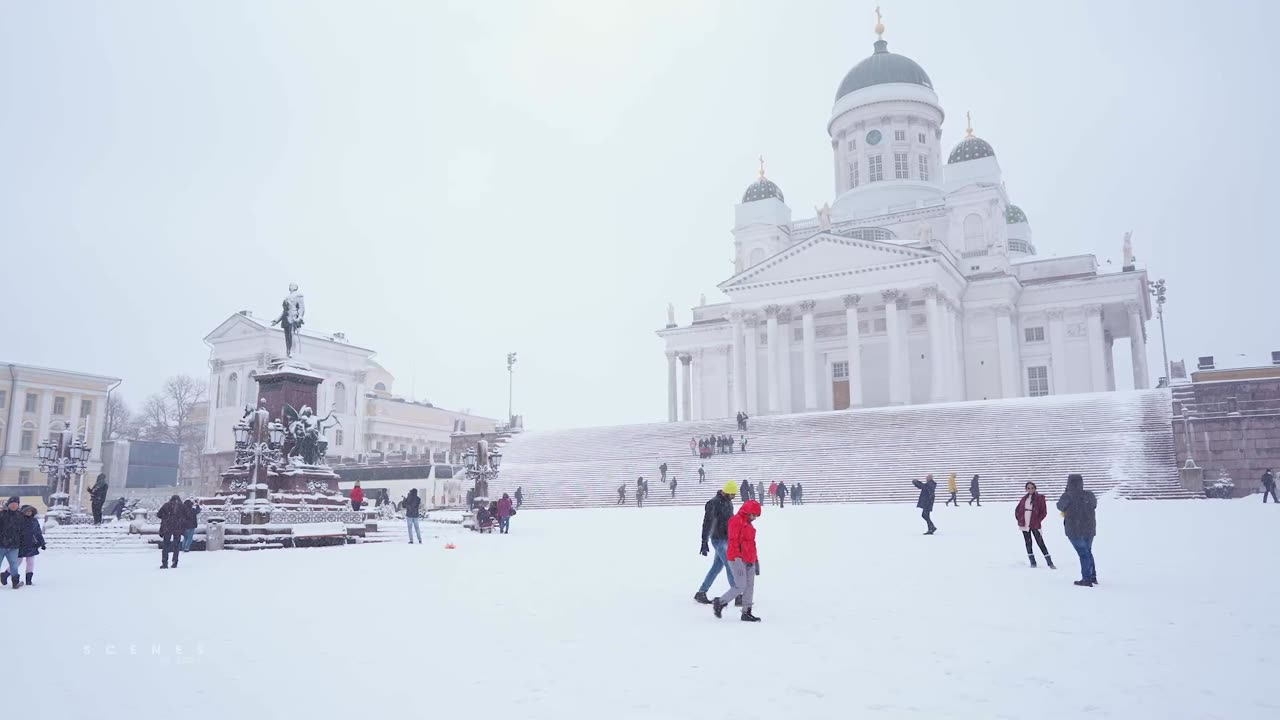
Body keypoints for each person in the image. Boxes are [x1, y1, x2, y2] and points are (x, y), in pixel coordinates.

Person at [711, 499, 763, 622]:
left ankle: (746, 612)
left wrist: (756, 560)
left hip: (749, 558)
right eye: (754, 514)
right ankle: (720, 602)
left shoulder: (749, 524)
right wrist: (737, 558)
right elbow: (733, 541)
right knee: (740, 586)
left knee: (749, 586)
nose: (755, 518)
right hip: (737, 559)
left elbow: (752, 543)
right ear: (748, 511)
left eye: (756, 516)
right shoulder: (735, 521)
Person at [694, 481, 738, 605]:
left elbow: (731, 520)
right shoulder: (713, 504)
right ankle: (737, 593)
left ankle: (701, 592)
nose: (734, 497)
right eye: (733, 494)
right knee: (730, 565)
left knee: (717, 567)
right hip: (718, 539)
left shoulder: (728, 503)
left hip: (727, 538)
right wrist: (704, 541)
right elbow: (707, 523)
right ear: (727, 492)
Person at [1057, 473, 1098, 587]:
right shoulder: (1089, 494)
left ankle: (1086, 579)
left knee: (1083, 553)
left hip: (1074, 529)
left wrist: (1066, 492)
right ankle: (1092, 576)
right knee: (1088, 551)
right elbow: (1094, 505)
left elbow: (1060, 506)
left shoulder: (1067, 496)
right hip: (1089, 528)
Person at [1015, 482, 1055, 569]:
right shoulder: (1024, 499)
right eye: (1028, 488)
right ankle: (1032, 562)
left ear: (1035, 488)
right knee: (1028, 542)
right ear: (1026, 489)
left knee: (1040, 542)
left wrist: (1037, 520)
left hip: (1034, 523)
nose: (1030, 490)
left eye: (1032, 488)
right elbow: (1018, 509)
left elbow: (1043, 512)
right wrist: (1019, 518)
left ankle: (1050, 562)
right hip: (1024, 523)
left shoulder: (1040, 498)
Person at [0, 497, 26, 589]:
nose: (14, 505)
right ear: (8, 504)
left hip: (14, 545)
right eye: (12, 503)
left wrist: (22, 543)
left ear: (18, 505)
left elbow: (23, 531)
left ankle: (15, 583)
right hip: (1, 544)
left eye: (16, 504)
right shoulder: (2, 514)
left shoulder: (20, 516)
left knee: (14, 564)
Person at [16, 505, 45, 587]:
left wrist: (42, 543)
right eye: (27, 511)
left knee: (30, 563)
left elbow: (38, 533)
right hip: (20, 544)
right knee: (17, 562)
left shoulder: (34, 521)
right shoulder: (19, 520)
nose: (29, 512)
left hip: (31, 545)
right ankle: (5, 574)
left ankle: (29, 580)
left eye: (30, 511)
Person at [156, 495, 185, 569]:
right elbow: (187, 516)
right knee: (176, 545)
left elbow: (159, 514)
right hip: (177, 527)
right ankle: (175, 561)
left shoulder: (166, 505)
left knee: (166, 545)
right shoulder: (182, 506)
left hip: (167, 527)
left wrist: (166, 517)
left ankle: (164, 562)